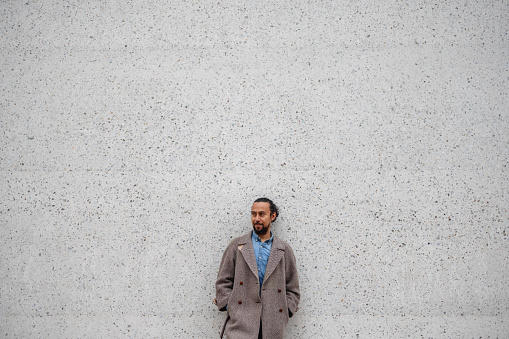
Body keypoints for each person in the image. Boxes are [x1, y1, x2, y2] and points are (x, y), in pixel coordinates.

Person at [214, 198, 300, 339]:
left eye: (262, 214)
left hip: (273, 323)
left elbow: (292, 287)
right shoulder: (237, 246)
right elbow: (223, 281)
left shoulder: (284, 250)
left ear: (272, 216)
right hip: (241, 322)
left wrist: (286, 310)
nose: (257, 218)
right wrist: (231, 307)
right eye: (254, 214)